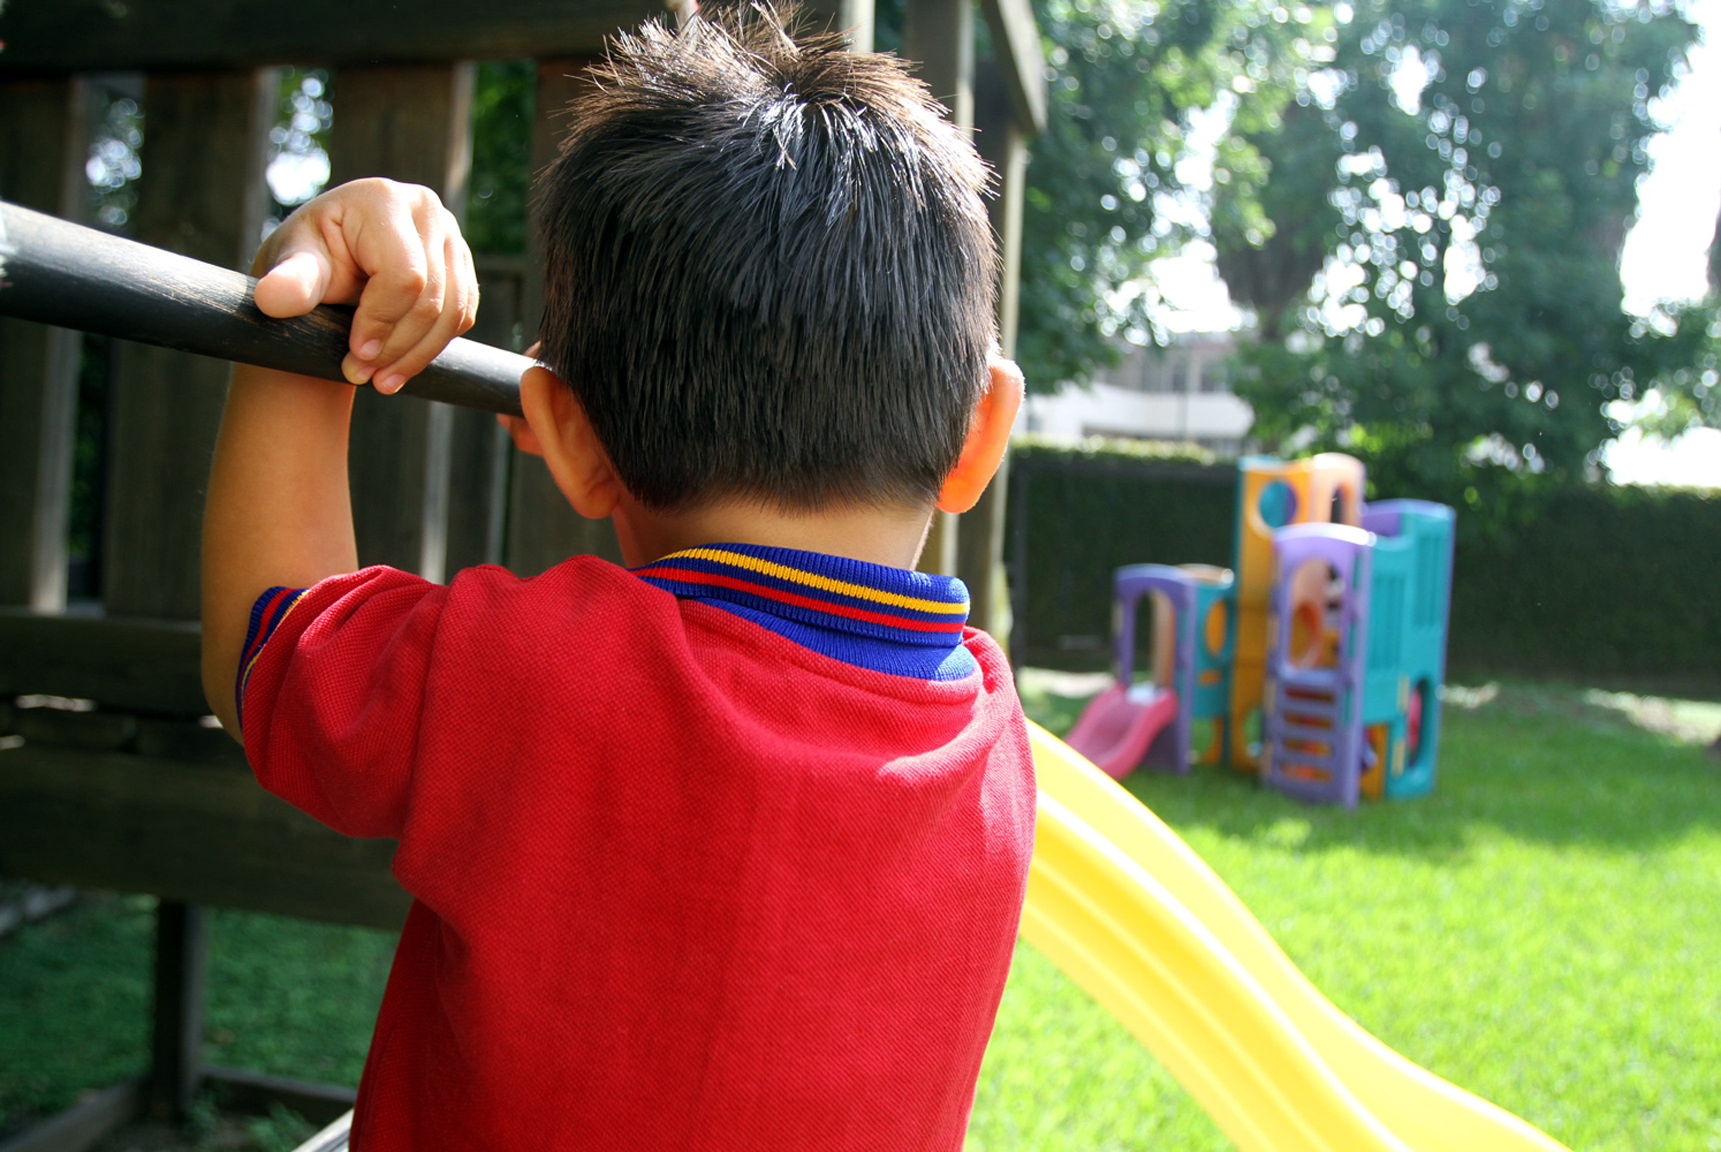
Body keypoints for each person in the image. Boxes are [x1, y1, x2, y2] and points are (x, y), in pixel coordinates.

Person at [200, 7, 1033, 1150]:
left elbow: (270, 642)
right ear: (981, 432)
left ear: (568, 440)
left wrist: (309, 317)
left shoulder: (537, 678)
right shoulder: (987, 736)